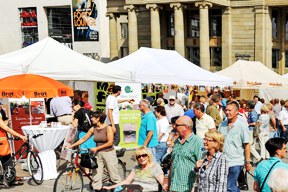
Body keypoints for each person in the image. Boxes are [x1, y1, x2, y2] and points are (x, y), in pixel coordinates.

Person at [69, 111, 121, 191]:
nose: (91, 118)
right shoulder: (93, 129)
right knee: (96, 174)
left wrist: (96, 148)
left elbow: (110, 142)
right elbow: (83, 139)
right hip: (97, 154)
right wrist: (71, 146)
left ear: (98, 119)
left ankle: (118, 186)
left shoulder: (108, 128)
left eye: (93, 117)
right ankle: (97, 189)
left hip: (108, 153)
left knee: (113, 173)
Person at [219, 101, 252, 192]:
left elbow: (247, 145)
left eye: (230, 110)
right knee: (225, 186)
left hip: (236, 161)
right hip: (223, 160)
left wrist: (248, 162)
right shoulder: (222, 125)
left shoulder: (241, 126)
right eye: (226, 110)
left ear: (237, 112)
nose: (227, 112)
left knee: (230, 186)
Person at [169, 116, 203, 192]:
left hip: (187, 187)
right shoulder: (177, 141)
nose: (174, 127)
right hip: (173, 186)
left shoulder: (198, 142)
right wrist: (168, 182)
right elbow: (172, 162)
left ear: (186, 127)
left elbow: (201, 167)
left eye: (177, 125)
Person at [0, 118, 27, 186]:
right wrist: (21, 136)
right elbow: (7, 129)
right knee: (8, 161)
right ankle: (11, 180)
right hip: (1, 145)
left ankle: (6, 179)